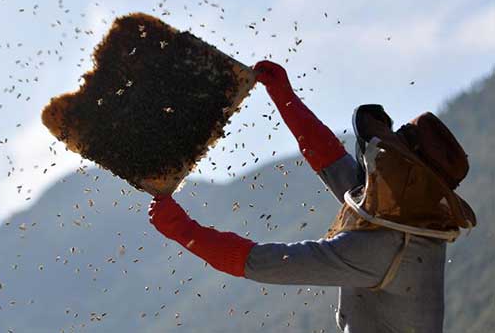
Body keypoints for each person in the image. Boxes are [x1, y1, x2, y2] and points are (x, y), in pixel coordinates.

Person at [148, 60, 475, 332]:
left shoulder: (383, 246)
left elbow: (265, 263)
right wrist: (285, 98)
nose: (379, 155)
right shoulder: (397, 212)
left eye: (390, 152)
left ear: (408, 175)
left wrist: (184, 231)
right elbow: (333, 162)